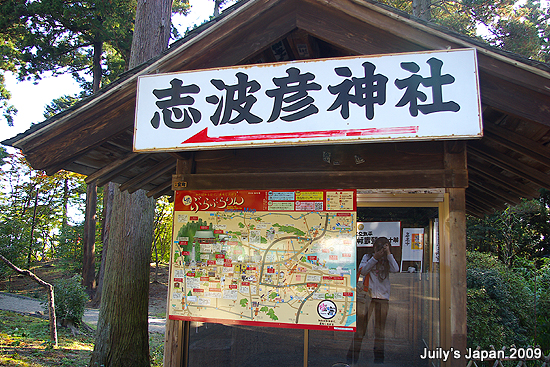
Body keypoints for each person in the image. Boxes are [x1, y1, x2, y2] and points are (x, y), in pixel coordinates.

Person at [347, 237, 399, 364]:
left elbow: (396, 269)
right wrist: (375, 257)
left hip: (382, 299)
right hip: (367, 297)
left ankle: (379, 360)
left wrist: (388, 254)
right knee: (360, 330)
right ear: (374, 246)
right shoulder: (367, 257)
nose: (380, 249)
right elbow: (363, 271)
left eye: (383, 246)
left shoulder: (388, 258)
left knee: (380, 331)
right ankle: (352, 359)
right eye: (379, 246)